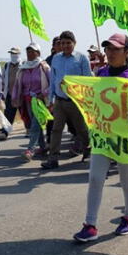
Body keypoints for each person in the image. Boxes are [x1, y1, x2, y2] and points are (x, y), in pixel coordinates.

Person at [73, 33, 128, 242]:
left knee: (126, 179)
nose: (110, 52)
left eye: (116, 49)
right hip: (103, 135)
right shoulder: (101, 73)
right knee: (95, 178)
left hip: (126, 137)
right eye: (108, 48)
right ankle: (90, 225)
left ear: (127, 52)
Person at [41, 31, 92, 170]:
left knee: (81, 130)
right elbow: (53, 80)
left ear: (74, 43)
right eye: (62, 43)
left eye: (68, 43)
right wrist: (50, 100)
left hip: (76, 101)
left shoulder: (82, 59)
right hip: (59, 101)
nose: (65, 45)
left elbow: (87, 80)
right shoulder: (56, 59)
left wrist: (86, 101)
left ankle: (88, 149)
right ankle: (53, 159)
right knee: (56, 130)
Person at [11, 43, 51, 161]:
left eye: (32, 51)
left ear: (38, 53)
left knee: (35, 125)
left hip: (40, 101)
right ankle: (43, 147)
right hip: (27, 101)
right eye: (28, 51)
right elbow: (19, 85)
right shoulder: (24, 67)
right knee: (35, 125)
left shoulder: (44, 67)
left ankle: (30, 150)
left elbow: (51, 84)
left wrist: (42, 94)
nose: (29, 54)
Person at [1, 47, 25, 138]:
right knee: (8, 115)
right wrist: (2, 92)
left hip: (21, 95)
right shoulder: (7, 65)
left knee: (24, 114)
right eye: (11, 54)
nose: (13, 56)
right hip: (10, 95)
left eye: (15, 54)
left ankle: (29, 130)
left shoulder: (23, 65)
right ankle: (5, 132)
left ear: (19, 54)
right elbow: (3, 79)